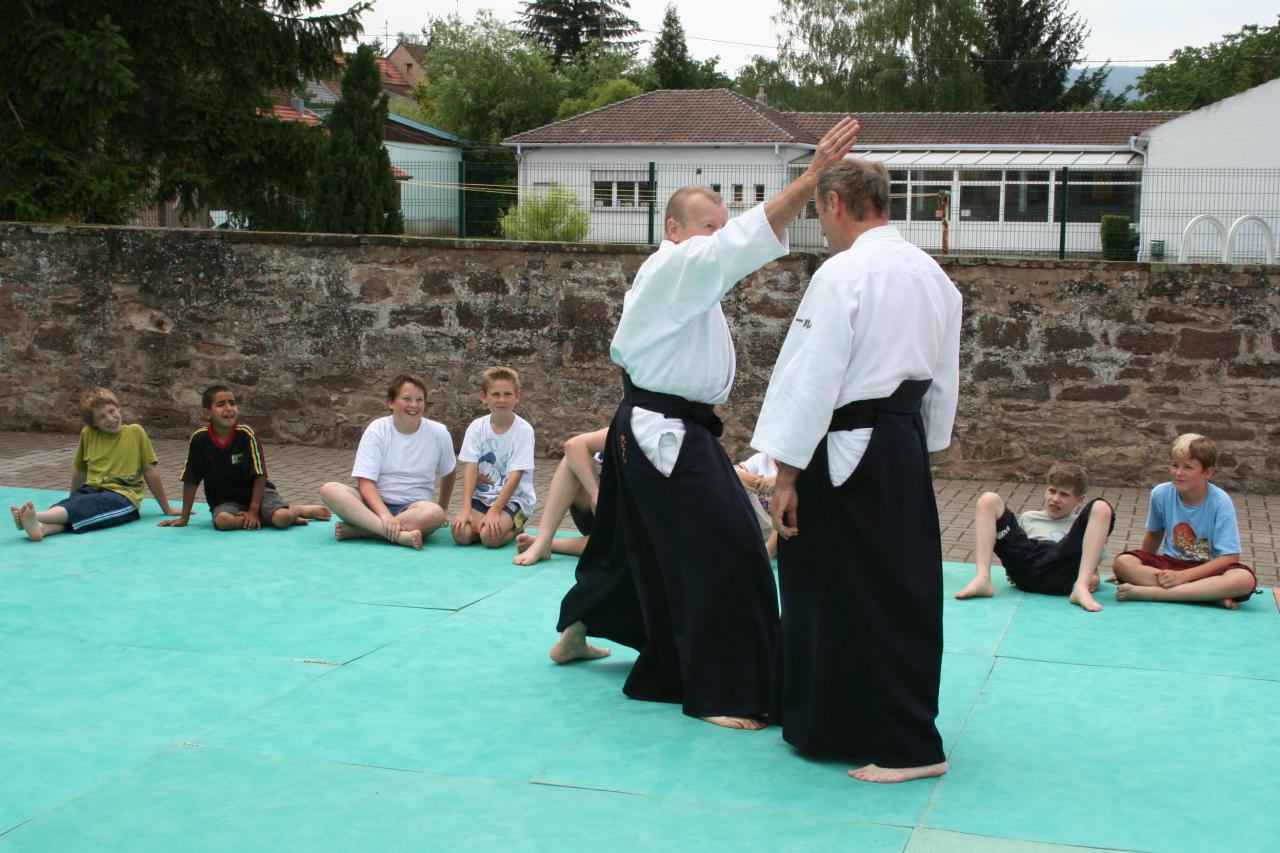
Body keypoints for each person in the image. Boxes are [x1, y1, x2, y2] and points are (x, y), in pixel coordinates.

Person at [550, 116, 862, 731]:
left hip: (654, 426)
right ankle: (720, 688)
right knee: (730, 551)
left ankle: (574, 634)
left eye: (720, 226)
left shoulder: (685, 283)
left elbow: (731, 250)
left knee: (621, 545)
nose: (716, 238)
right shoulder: (672, 268)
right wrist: (812, 179)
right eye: (705, 227)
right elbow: (739, 245)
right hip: (662, 433)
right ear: (674, 229)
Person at [751, 158, 962, 782]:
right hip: (899, 442)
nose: (820, 224)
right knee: (898, 588)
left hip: (845, 448)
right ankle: (856, 722)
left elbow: (812, 375)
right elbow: (942, 381)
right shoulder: (934, 275)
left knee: (846, 589)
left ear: (836, 203)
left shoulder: (845, 272)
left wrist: (785, 474)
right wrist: (921, 445)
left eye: (817, 211)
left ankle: (904, 746)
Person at [11, 387, 177, 540]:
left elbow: (150, 472)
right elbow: (80, 471)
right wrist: (72, 499)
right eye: (101, 417)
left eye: (112, 411)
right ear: (93, 423)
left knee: (85, 508)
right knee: (77, 508)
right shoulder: (88, 433)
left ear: (119, 408)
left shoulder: (135, 432)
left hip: (123, 497)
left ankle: (35, 516)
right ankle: (40, 528)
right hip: (89, 490)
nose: (111, 418)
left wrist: (166, 508)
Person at [159, 385, 332, 531]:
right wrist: (184, 518)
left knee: (282, 518)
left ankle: (299, 510)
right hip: (224, 500)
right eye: (221, 404)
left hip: (258, 495)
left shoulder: (247, 434)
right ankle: (266, 520)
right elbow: (191, 479)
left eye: (232, 403)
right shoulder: (199, 440)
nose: (228, 408)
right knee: (222, 522)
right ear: (207, 413)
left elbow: (260, 474)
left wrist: (254, 510)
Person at [1112, 433, 1257, 608]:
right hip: (1170, 567)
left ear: (1208, 472)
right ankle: (1207, 596)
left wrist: (1184, 577)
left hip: (1207, 570)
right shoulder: (1161, 493)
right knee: (1122, 563)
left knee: (1244, 579)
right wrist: (1138, 564)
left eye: (1188, 467)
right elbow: (1154, 534)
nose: (1179, 473)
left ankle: (1153, 593)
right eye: (1175, 465)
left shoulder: (1221, 501)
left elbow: (1230, 558)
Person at [319, 374, 455, 550]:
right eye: (407, 399)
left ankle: (362, 530)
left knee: (435, 513)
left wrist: (443, 510)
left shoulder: (439, 433)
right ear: (391, 403)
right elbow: (365, 481)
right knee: (330, 489)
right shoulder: (377, 429)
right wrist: (384, 514)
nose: (414, 405)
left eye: (419, 400)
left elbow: (449, 473)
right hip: (373, 504)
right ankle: (395, 535)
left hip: (412, 509)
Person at [954, 462, 1114, 612]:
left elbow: (1093, 567)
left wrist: (1091, 578)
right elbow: (1018, 550)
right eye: (1052, 491)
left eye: (1064, 494)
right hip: (1028, 568)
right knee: (988, 499)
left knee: (1101, 507)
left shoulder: (1083, 526)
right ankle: (983, 578)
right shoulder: (1029, 517)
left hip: (1062, 571)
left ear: (1078, 500)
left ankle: (1081, 588)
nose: (1055, 499)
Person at [451, 367, 537, 549]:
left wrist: (495, 511)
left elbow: (516, 475)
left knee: (490, 538)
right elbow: (470, 469)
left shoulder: (523, 430)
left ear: (517, 396)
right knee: (461, 535)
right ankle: (482, 524)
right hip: (483, 496)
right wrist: (465, 509)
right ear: (484, 397)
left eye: (507, 394)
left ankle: (517, 527)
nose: (502, 400)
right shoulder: (476, 427)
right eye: (495, 394)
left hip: (514, 499)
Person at [514, 428, 607, 565]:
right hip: (602, 511)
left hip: (633, 525)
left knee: (623, 547)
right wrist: (596, 494)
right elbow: (573, 445)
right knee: (572, 460)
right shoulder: (629, 424)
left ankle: (551, 544)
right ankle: (543, 541)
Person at [736, 451, 779, 558]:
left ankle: (766, 551)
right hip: (761, 529)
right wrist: (740, 475)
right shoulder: (762, 459)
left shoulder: (801, 465)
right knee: (735, 481)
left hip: (784, 534)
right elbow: (728, 470)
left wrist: (781, 482)